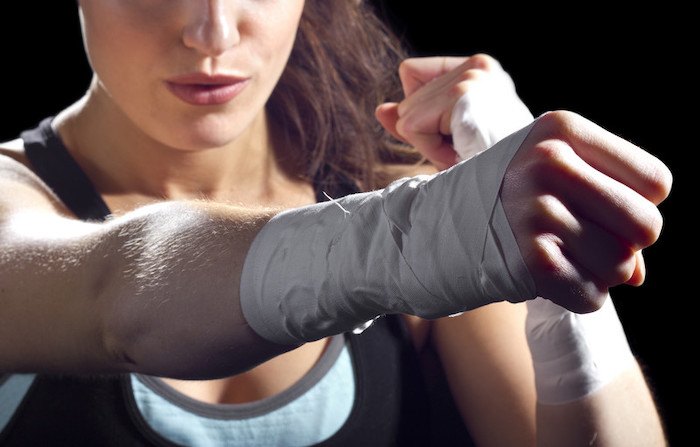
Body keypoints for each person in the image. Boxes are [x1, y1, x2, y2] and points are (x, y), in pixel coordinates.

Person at [0, 1, 671, 446]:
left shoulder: (403, 191)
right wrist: (414, 236)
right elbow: (116, 296)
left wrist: (566, 291)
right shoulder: (13, 199)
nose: (213, 32)